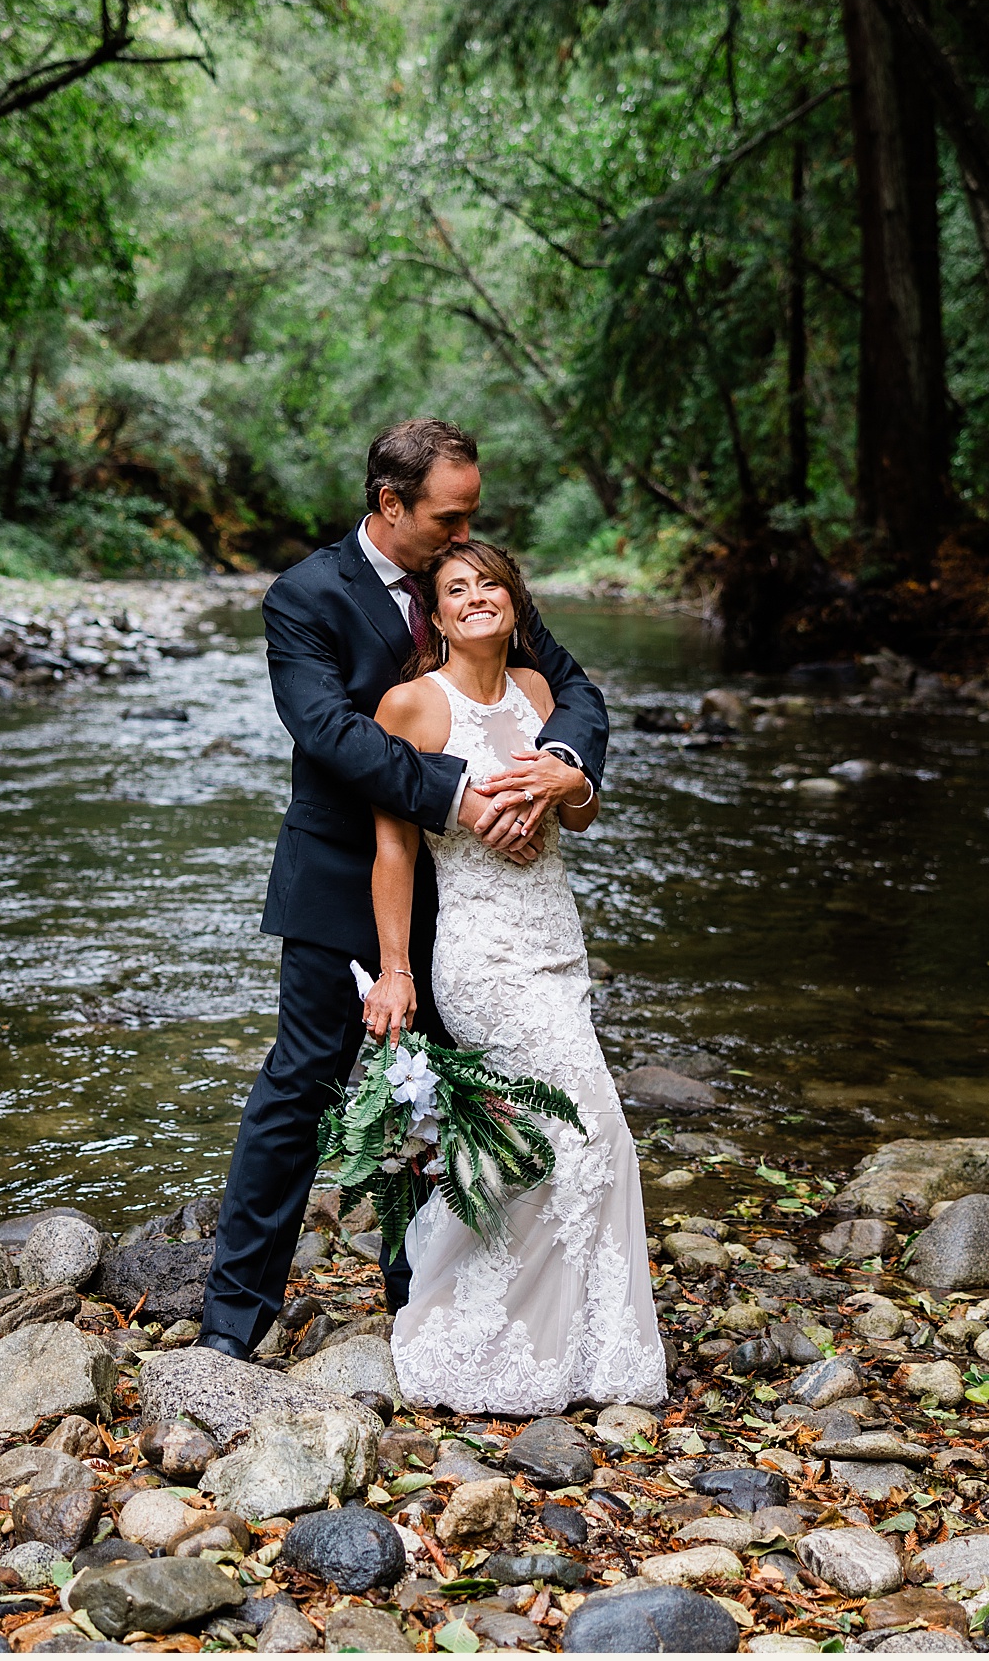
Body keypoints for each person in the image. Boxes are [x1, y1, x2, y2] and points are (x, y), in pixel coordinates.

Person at [195, 419, 607, 1362]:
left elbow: (569, 684)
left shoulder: (471, 581)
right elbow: (329, 733)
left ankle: (423, 1296)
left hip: (465, 905)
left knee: (441, 1093)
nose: (466, 536)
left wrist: (558, 764)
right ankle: (231, 1321)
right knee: (304, 1082)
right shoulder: (305, 597)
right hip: (345, 873)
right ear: (391, 505)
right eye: (449, 518)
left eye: (472, 518)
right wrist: (461, 796)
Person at [359, 538, 668, 1414]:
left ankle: (570, 1345)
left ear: (513, 600)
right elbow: (393, 851)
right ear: (438, 613)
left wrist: (563, 784)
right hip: (485, 957)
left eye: (489, 583)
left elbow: (587, 811)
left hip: (557, 942)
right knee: (592, 1129)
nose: (475, 598)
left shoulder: (541, 695)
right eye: (455, 589)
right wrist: (394, 968)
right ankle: (480, 1337)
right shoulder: (412, 706)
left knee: (538, 1143)